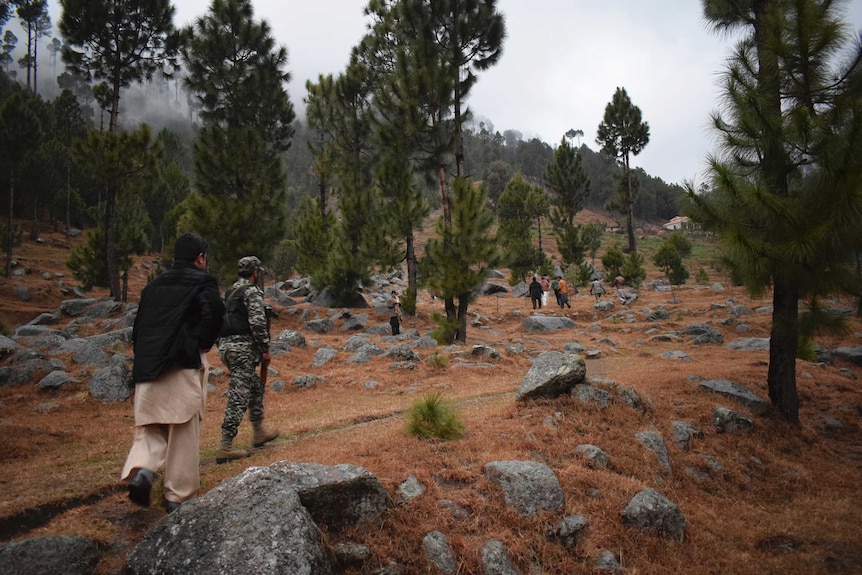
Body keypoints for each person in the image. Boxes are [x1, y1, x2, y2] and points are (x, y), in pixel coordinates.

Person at [121, 232, 224, 513]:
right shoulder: (203, 283)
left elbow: (138, 327)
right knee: (183, 432)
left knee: (150, 428)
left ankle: (143, 471)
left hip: (148, 369)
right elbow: (215, 312)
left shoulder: (152, 287)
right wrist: (199, 343)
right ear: (200, 257)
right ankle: (177, 498)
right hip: (183, 365)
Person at [216, 256, 280, 464]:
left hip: (226, 347)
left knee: (254, 387)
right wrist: (264, 349)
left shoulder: (229, 292)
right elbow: (257, 323)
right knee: (238, 394)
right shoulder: (251, 292)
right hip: (242, 348)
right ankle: (225, 446)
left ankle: (259, 431)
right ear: (255, 272)